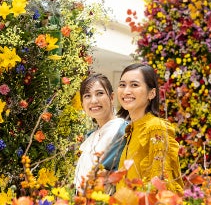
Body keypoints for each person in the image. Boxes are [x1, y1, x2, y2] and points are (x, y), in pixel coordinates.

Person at [116, 63, 182, 192]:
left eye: (134, 85)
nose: (126, 91)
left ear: (151, 93)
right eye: (122, 85)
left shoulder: (156, 127)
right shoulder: (131, 130)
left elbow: (161, 182)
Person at [73, 73, 128, 191]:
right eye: (87, 96)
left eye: (100, 93)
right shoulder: (91, 136)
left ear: (112, 97)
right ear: (82, 104)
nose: (94, 100)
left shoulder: (122, 130)